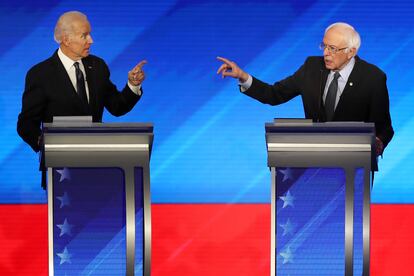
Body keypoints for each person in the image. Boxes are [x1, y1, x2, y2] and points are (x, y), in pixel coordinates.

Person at [217, 22, 393, 159]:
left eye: (333, 48)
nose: (326, 53)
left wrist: (379, 142)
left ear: (351, 52)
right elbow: (274, 94)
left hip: (355, 163)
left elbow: (384, 127)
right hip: (313, 158)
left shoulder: (373, 77)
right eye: (324, 46)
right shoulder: (311, 67)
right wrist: (243, 77)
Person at [17, 11, 147, 189]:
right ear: (66, 39)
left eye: (90, 34)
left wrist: (133, 85)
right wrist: (44, 143)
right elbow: (26, 124)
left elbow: (117, 107)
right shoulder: (40, 74)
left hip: (99, 166)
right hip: (61, 171)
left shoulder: (98, 67)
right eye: (84, 35)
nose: (91, 40)